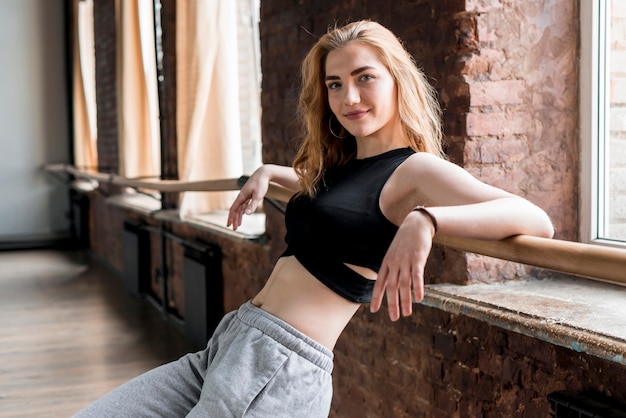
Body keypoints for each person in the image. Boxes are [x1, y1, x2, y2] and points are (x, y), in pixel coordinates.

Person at [75, 20, 554, 417]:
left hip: (277, 366)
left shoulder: (415, 170)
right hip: (232, 343)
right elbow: (323, 191)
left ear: (396, 80)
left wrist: (426, 220)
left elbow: (534, 219)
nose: (349, 98)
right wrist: (267, 172)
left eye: (365, 77)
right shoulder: (341, 167)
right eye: (335, 84)